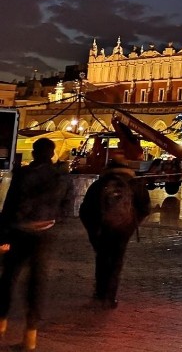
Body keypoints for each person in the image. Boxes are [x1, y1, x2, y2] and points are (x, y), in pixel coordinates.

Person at [0, 138, 72, 351]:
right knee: (37, 284)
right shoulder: (61, 177)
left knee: (8, 279)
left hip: (20, 232)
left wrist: (2, 234)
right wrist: (53, 222)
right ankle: (30, 336)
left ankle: (1, 322)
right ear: (51, 154)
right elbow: (67, 208)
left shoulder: (23, 174)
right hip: (45, 234)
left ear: (34, 153)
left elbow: (9, 206)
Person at [79, 158, 151, 309]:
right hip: (123, 230)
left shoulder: (99, 185)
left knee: (102, 259)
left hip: (102, 229)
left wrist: (93, 229)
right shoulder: (135, 184)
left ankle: (100, 293)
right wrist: (131, 224)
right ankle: (110, 297)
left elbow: (85, 210)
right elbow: (145, 208)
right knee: (116, 261)